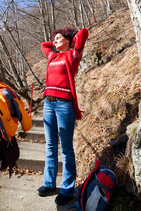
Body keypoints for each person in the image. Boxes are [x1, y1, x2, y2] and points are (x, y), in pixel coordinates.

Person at [36, 26, 89, 205]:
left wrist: (70, 38)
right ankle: (49, 183)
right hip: (48, 104)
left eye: (59, 39)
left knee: (66, 148)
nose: (55, 41)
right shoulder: (52, 56)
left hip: (64, 105)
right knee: (50, 146)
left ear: (68, 41)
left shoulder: (73, 55)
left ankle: (67, 188)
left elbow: (83, 33)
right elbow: (43, 45)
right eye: (55, 39)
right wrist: (56, 40)